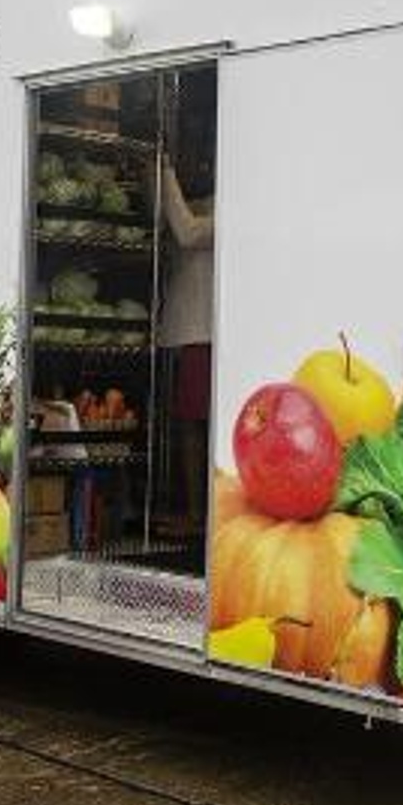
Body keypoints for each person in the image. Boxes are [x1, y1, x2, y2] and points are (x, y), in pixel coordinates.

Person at [159, 156, 213, 535]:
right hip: (184, 331)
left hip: (202, 333)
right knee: (184, 427)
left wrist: (163, 169)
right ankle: (192, 512)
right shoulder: (202, 204)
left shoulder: (226, 214)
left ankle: (198, 517)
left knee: (194, 427)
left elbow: (186, 231)